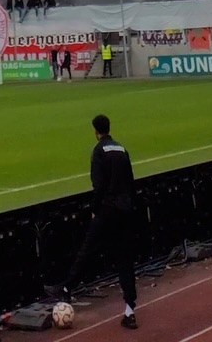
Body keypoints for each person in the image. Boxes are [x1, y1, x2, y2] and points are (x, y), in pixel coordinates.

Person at [63, 114, 138, 330]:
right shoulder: (122, 149)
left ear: (96, 131)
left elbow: (99, 185)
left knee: (88, 249)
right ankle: (130, 310)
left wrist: (94, 210)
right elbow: (131, 182)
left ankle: (67, 289)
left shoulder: (98, 151)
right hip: (124, 209)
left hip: (107, 209)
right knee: (125, 259)